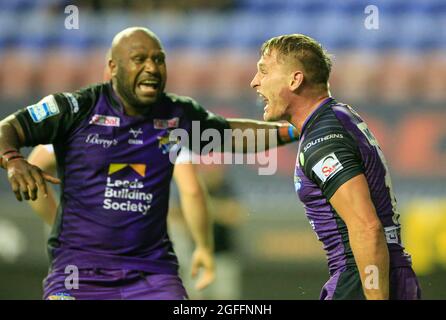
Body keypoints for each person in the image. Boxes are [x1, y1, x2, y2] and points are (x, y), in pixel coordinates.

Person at [0, 27, 298, 300]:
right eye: (139, 59)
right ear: (113, 68)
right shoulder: (75, 110)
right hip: (78, 274)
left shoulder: (176, 115)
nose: (152, 68)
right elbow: (7, 130)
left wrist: (295, 128)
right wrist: (13, 160)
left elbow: (229, 136)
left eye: (159, 59)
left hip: (152, 276)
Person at [250, 34, 421, 300]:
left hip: (362, 277)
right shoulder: (337, 116)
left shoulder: (323, 139)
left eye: (263, 71)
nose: (255, 82)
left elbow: (366, 227)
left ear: (295, 80)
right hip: (386, 270)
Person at [27, 144, 214, 293]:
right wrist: (203, 246)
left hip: (80, 251)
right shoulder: (168, 130)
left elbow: (35, 166)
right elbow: (192, 191)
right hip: (143, 257)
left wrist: (59, 222)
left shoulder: (79, 120)